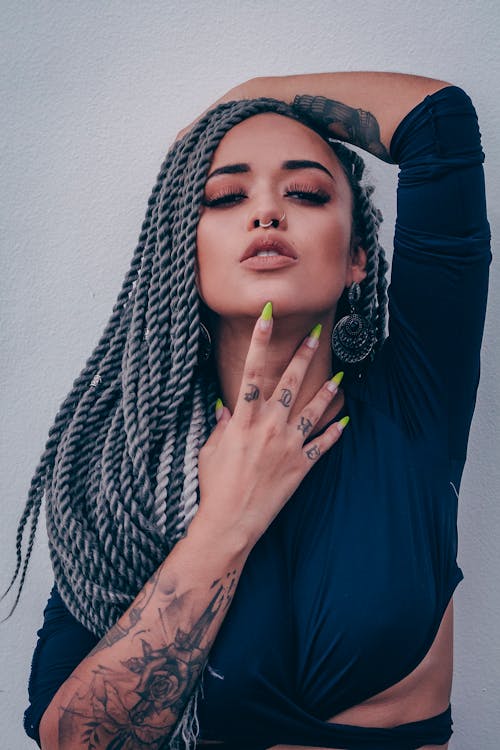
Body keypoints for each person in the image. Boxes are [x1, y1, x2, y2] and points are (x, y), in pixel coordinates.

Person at [5, 72, 490, 750]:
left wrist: (233, 105)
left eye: (306, 192)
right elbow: (73, 739)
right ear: (182, 252)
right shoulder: (122, 463)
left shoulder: (416, 402)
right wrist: (227, 522)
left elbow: (436, 120)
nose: (267, 213)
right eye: (227, 196)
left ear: (357, 256)